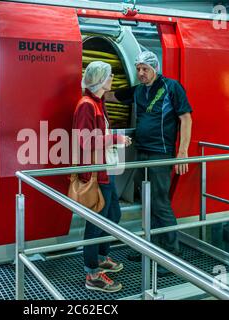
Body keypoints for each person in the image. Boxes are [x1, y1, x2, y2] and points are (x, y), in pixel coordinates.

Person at [106, 50, 193, 274]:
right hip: (142, 152)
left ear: (155, 68)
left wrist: (182, 152)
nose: (141, 73)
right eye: (138, 69)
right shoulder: (138, 91)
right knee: (147, 201)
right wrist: (91, 88)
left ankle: (172, 255)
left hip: (161, 153)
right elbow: (112, 95)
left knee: (160, 201)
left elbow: (186, 118)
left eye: (145, 69)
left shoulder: (171, 88)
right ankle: (152, 246)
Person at [73, 61, 132, 293]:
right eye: (108, 76)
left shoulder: (98, 102)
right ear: (98, 79)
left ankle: (101, 256)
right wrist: (116, 140)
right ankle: (92, 274)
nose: (112, 80)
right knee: (96, 223)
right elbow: (85, 142)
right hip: (96, 174)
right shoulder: (86, 105)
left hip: (107, 170)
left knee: (113, 215)